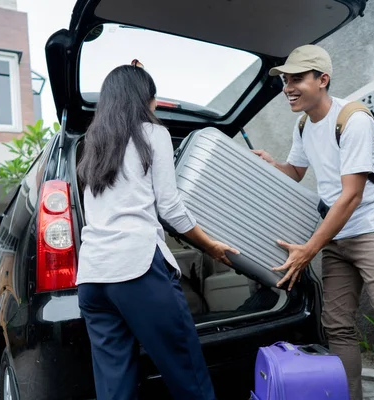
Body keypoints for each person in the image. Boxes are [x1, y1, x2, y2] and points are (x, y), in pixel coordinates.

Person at [253, 45, 374, 400]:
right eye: (285, 80)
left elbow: (351, 195)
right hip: (337, 239)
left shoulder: (353, 119)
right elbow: (296, 172)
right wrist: (271, 163)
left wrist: (308, 250)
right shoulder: (302, 125)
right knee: (338, 327)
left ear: (322, 79)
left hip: (373, 231)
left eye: (297, 79)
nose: (288, 88)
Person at [76, 61, 239, 400]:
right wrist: (210, 247)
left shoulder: (93, 143)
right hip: (136, 270)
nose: (155, 105)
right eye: (152, 97)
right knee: (187, 376)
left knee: (114, 389)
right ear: (144, 100)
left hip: (92, 279)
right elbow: (171, 208)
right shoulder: (153, 134)